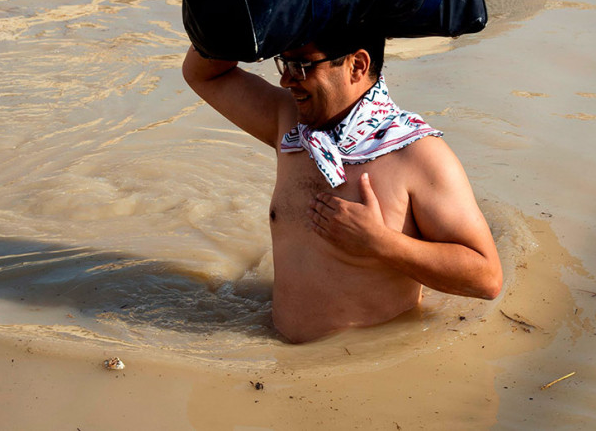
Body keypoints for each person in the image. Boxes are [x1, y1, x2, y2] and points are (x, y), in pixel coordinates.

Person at [182, 31, 503, 343]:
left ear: (357, 66)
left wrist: (380, 242)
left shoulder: (418, 155)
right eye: (285, 63)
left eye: (302, 67)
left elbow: (487, 278)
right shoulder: (290, 124)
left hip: (365, 371)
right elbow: (202, 74)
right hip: (279, 361)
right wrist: (253, 12)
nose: (286, 80)